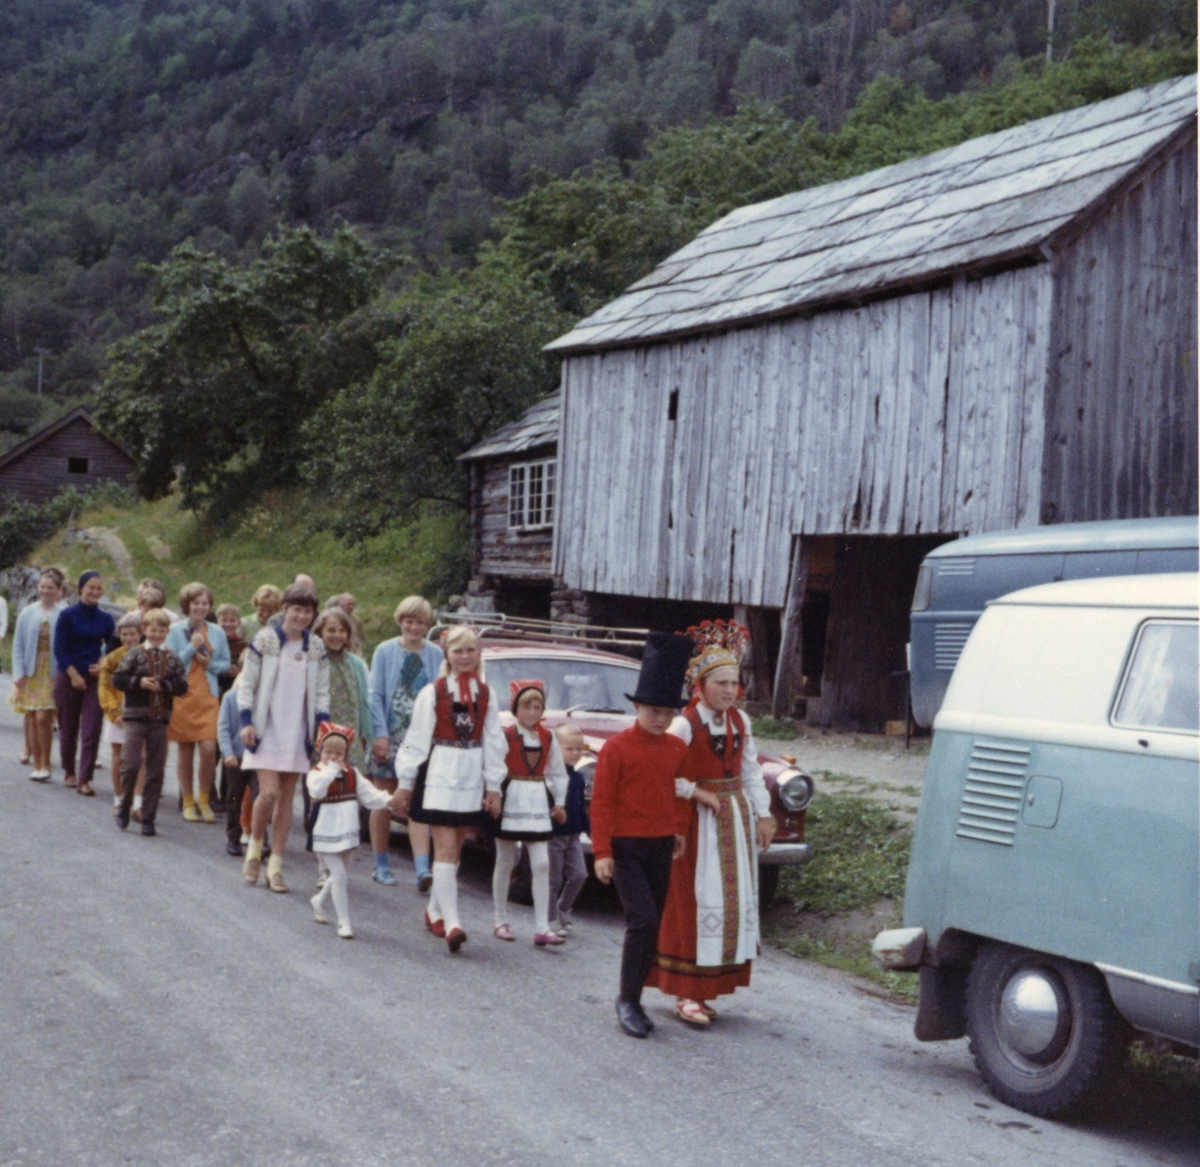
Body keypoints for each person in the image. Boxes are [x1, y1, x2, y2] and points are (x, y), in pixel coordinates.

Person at [646, 621, 773, 1026]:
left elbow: (751, 771)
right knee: (694, 902)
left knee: (728, 903)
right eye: (720, 682)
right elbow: (663, 772)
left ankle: (708, 988)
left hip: (733, 819)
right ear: (700, 685)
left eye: (734, 683)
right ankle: (686, 993)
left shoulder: (740, 722)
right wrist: (696, 793)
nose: (729, 690)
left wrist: (765, 813)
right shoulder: (684, 723)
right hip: (698, 825)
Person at [590, 631, 704, 1039]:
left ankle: (635, 994)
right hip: (625, 847)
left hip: (660, 845)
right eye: (651, 710)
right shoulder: (616, 748)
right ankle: (628, 1000)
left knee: (651, 926)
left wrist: (680, 829)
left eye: (666, 713)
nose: (658, 719)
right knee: (642, 920)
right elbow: (601, 802)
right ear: (636, 707)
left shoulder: (675, 748)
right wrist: (602, 851)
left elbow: (682, 791)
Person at [389, 625, 505, 953]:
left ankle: (435, 910)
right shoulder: (434, 691)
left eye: (471, 650)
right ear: (447, 655)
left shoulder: (487, 694)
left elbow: (494, 741)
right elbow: (416, 740)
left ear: (478, 653)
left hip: (470, 774)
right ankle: (454, 922)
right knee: (444, 847)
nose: (465, 657)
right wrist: (406, 783)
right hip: (441, 770)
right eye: (458, 651)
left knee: (455, 848)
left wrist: (493, 785)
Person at [239, 584, 329, 893]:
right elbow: (247, 683)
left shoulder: (315, 646)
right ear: (285, 608)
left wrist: (323, 728)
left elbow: (320, 693)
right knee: (269, 793)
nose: (302, 616)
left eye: (308, 611)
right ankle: (254, 848)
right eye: (296, 609)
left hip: (298, 732)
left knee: (287, 800)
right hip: (266, 729)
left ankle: (275, 867)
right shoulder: (265, 639)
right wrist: (246, 720)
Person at [367, 596, 444, 889]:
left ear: (428, 625)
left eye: (420, 622)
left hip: (420, 739)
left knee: (417, 801)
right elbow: (375, 694)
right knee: (383, 799)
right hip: (390, 732)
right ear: (400, 621)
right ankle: (380, 862)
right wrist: (380, 734)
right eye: (409, 621)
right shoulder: (385, 650)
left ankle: (422, 868)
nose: (414, 627)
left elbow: (440, 694)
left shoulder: (436, 654)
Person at [491, 680, 568, 947]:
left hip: (536, 800)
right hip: (510, 797)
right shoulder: (507, 735)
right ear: (515, 708)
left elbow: (558, 772)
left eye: (538, 707)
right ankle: (500, 919)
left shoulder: (548, 737)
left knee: (542, 863)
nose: (533, 712)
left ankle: (542, 926)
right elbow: (494, 766)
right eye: (526, 706)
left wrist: (559, 801)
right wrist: (494, 795)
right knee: (505, 860)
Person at [306, 722, 392, 939]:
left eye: (339, 752)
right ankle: (344, 922)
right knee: (340, 876)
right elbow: (316, 790)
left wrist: (391, 801)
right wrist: (331, 771)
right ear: (320, 750)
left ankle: (319, 900)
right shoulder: (316, 773)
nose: (333, 757)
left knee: (340, 875)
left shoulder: (352, 773)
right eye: (328, 752)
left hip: (348, 830)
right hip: (326, 830)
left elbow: (371, 795)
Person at [111, 609, 189, 837]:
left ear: (167, 632)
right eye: (152, 630)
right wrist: (139, 682)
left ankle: (148, 817)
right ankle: (125, 805)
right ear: (144, 630)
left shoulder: (172, 657)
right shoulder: (134, 654)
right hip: (135, 718)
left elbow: (183, 686)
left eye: (162, 630)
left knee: (156, 770)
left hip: (160, 720)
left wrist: (164, 686)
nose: (156, 634)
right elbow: (117, 679)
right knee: (131, 762)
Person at [167, 583, 230, 823]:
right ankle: (188, 799)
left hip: (208, 695)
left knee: (208, 748)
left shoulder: (216, 631)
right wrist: (190, 648)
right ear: (187, 605)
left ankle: (205, 798)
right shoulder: (174, 630)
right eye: (196, 603)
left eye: (205, 603)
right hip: (183, 695)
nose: (201, 607)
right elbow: (171, 664)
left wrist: (209, 664)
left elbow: (225, 663)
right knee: (185, 749)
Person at [53, 570, 116, 795]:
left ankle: (84, 778)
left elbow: (113, 647)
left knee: (91, 728)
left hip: (94, 679)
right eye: (91, 587)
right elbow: (59, 649)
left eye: (99, 588)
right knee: (68, 727)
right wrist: (73, 674)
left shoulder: (106, 619)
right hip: (69, 675)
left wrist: (102, 663)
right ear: (81, 589)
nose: (95, 592)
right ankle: (69, 771)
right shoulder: (67, 616)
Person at [12, 568, 66, 781]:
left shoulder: (63, 613)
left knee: (44, 717)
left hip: (53, 672)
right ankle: (38, 765)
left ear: (58, 590)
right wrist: (18, 673)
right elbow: (18, 644)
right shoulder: (28, 612)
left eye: (50, 587)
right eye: (42, 587)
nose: (46, 591)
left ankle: (46, 762)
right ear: (38, 589)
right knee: (33, 717)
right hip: (30, 671)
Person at [547, 722, 590, 937]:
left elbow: (580, 807)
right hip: (554, 836)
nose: (575, 753)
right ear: (555, 749)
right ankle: (550, 920)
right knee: (553, 879)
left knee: (579, 875)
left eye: (579, 748)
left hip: (573, 836)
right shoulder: (551, 777)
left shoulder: (579, 778)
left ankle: (563, 908)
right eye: (569, 748)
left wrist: (590, 831)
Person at [99, 611, 144, 815]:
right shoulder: (112, 659)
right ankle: (118, 799)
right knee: (119, 755)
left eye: (132, 634)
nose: (129, 638)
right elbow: (104, 687)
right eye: (125, 634)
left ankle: (138, 802)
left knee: (141, 756)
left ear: (140, 634)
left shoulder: (147, 656)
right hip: (119, 710)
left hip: (140, 710)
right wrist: (114, 712)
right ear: (119, 635)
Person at [218, 669, 259, 857]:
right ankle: (233, 837)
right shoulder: (229, 698)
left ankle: (260, 837)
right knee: (233, 797)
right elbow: (223, 728)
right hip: (236, 757)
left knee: (259, 797)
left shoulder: (262, 700)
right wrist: (228, 753)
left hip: (257, 758)